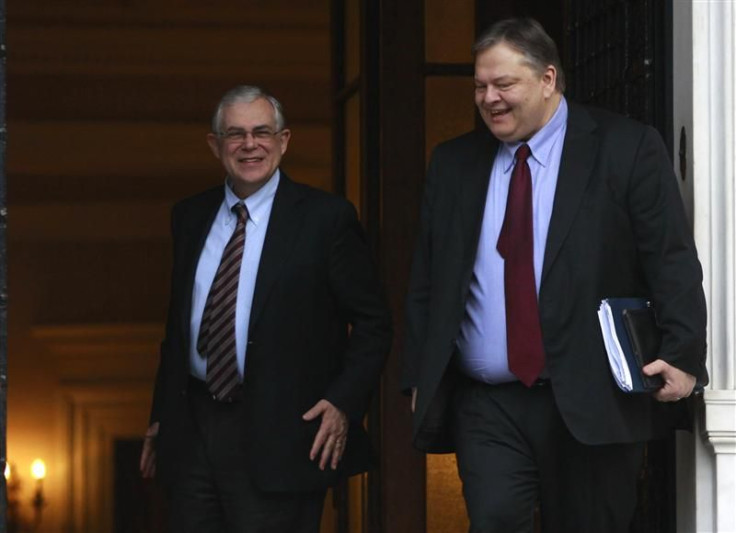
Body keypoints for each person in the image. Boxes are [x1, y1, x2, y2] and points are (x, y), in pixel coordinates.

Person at [402, 17, 707, 533]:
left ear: (547, 79)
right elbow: (428, 280)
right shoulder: (453, 164)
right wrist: (419, 372)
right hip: (487, 402)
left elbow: (670, 259)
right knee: (495, 520)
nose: (489, 98)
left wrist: (681, 354)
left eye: (504, 84)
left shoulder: (624, 148)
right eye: (480, 85)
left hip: (592, 396)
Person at [140, 85, 392, 533]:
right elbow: (175, 330)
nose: (249, 144)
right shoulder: (190, 216)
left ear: (284, 140)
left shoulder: (325, 219)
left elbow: (374, 322)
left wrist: (343, 403)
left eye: (262, 132)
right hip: (194, 429)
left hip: (282, 436)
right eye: (235, 134)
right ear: (215, 145)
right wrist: (161, 416)